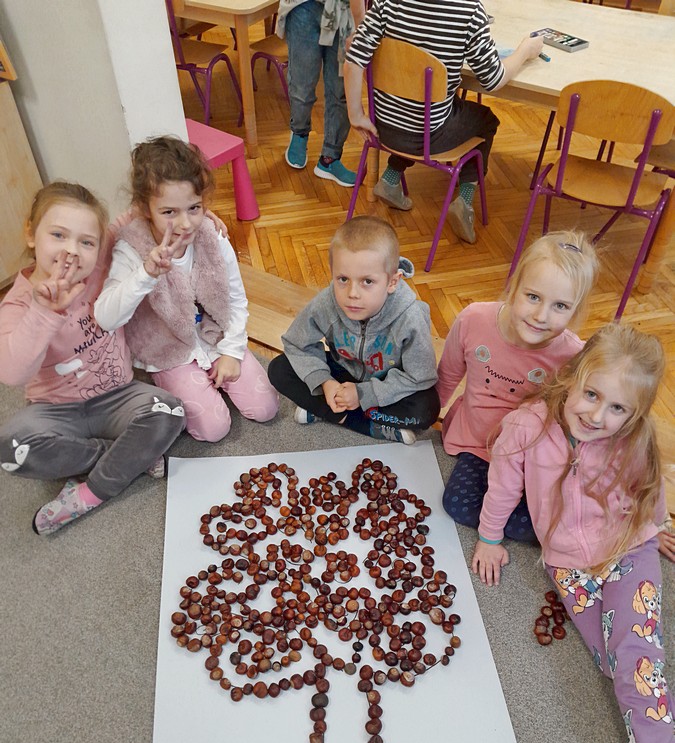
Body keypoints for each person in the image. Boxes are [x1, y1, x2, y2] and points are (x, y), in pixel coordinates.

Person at [472, 324, 675, 743]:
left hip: (629, 550)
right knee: (613, 662)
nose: (598, 415)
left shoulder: (636, 437)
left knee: (639, 661)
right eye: (592, 395)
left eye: (617, 408)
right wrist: (490, 537)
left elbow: (648, 490)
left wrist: (654, 527)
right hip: (567, 565)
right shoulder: (527, 427)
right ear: (573, 376)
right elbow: (503, 487)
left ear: (634, 414)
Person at [0, 182, 185, 535]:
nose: (72, 252)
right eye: (58, 235)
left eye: (86, 241)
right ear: (30, 233)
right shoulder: (17, 303)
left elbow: (144, 209)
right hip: (55, 409)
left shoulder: (102, 261)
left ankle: (89, 493)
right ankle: (125, 455)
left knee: (170, 411)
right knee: (12, 449)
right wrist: (43, 311)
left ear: (99, 246)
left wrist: (200, 220)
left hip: (118, 396)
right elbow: (12, 373)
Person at [94, 136, 279, 442]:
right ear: (144, 208)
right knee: (214, 428)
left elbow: (235, 300)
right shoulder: (131, 249)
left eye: (194, 207)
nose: (185, 223)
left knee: (266, 407)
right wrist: (146, 274)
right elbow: (106, 318)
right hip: (168, 349)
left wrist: (232, 351)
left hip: (211, 333)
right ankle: (167, 382)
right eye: (169, 212)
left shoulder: (212, 235)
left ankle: (218, 367)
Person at [437, 231, 598, 542]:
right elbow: (447, 376)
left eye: (560, 306)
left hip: (534, 457)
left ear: (576, 311)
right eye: (533, 297)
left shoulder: (574, 356)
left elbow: (583, 422)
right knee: (456, 505)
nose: (540, 316)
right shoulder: (473, 320)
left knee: (551, 518)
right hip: (477, 445)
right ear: (513, 287)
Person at [344, 0, 543, 243]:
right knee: (486, 120)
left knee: (429, 106)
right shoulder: (469, 11)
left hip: (383, 128)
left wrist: (355, 115)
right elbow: (493, 79)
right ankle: (465, 199)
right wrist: (525, 50)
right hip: (429, 137)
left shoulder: (387, 2)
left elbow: (354, 56)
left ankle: (391, 176)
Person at [267, 215, 440, 444]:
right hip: (340, 374)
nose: (352, 293)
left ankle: (330, 412)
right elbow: (295, 343)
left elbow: (421, 376)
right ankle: (365, 422)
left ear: (392, 282)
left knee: (426, 409)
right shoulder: (326, 303)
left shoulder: (410, 317)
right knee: (279, 369)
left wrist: (363, 395)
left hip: (384, 385)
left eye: (367, 281)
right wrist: (325, 383)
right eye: (343, 279)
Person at [276, 0, 366, 187]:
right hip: (303, 7)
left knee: (340, 88)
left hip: (344, 11)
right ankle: (299, 133)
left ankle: (330, 159)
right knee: (302, 83)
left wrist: (360, 28)